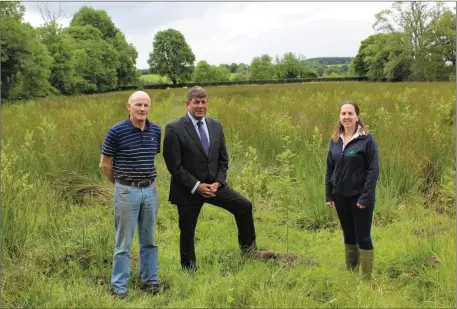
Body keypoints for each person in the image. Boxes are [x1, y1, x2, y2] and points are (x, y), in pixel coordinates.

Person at [162, 86, 275, 272]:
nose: (200, 106)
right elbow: (174, 165)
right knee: (188, 231)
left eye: (203, 102)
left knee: (244, 206)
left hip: (214, 187)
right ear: (187, 104)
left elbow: (223, 159)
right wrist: (197, 186)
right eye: (196, 102)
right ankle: (189, 270)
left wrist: (218, 182)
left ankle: (249, 251)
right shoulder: (174, 129)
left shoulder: (215, 126)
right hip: (188, 189)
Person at [99, 91, 161, 298]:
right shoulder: (116, 131)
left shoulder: (155, 131)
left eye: (145, 105)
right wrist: (120, 184)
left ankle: (150, 281)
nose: (142, 109)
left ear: (149, 108)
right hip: (127, 191)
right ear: (129, 107)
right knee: (123, 242)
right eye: (138, 105)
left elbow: (151, 158)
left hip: (150, 190)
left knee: (149, 239)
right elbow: (105, 164)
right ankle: (119, 288)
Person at [325, 101, 379, 280]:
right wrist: (329, 194)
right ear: (339, 117)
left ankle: (366, 278)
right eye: (343, 114)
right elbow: (330, 169)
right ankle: (351, 270)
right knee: (348, 233)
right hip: (340, 196)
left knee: (363, 236)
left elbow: (373, 170)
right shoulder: (335, 140)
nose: (346, 117)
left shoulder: (366, 139)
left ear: (357, 117)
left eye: (350, 113)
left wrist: (365, 197)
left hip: (360, 197)